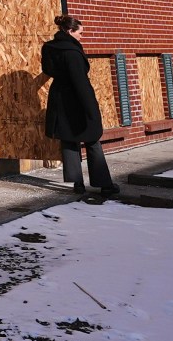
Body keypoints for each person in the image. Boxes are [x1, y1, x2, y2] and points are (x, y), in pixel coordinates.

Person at [38, 14, 117, 201]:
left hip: (59, 98)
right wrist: (92, 109)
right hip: (77, 99)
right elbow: (80, 83)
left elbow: (48, 70)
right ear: (70, 31)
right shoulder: (72, 52)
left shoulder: (50, 48)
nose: (82, 36)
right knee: (92, 139)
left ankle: (77, 183)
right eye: (80, 33)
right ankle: (104, 184)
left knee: (69, 139)